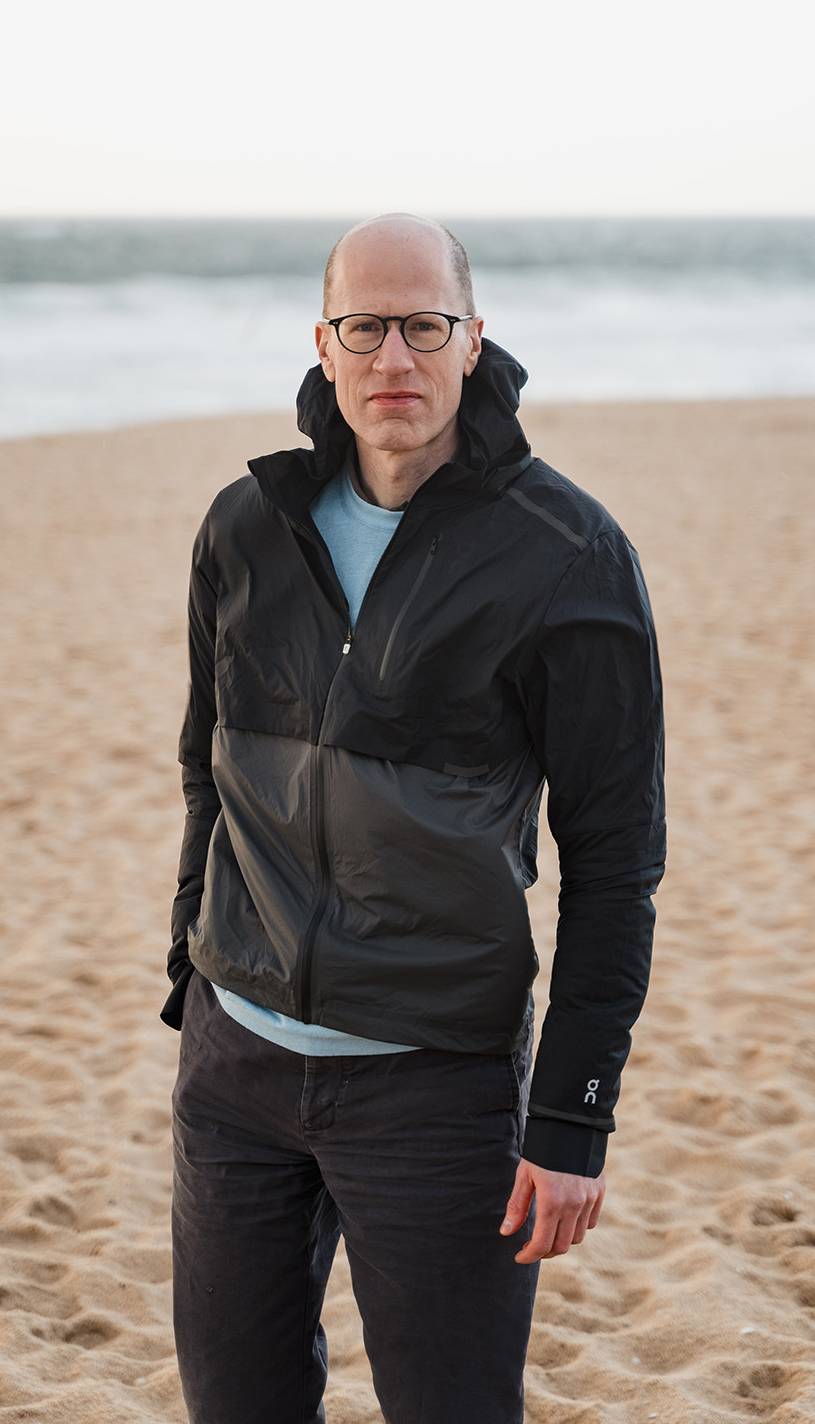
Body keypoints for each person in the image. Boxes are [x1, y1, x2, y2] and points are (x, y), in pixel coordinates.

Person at [163, 213, 666, 1424]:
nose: (394, 357)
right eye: (365, 327)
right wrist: (192, 965)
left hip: (435, 1088)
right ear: (324, 343)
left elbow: (615, 860)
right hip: (235, 1074)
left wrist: (572, 1116)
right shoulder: (245, 528)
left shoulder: (567, 553)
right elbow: (206, 767)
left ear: (473, 339)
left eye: (425, 326)